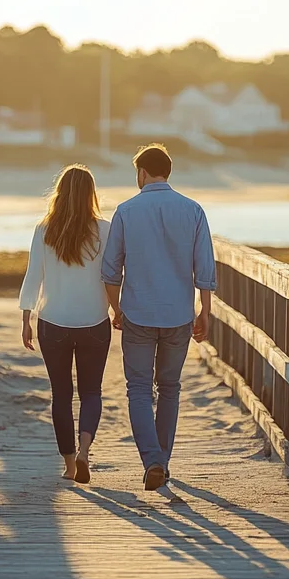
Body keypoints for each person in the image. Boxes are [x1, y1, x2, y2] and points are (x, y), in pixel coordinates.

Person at [101, 144, 216, 491]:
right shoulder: (193, 210)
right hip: (178, 314)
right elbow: (205, 268)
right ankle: (162, 462)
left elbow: (110, 270)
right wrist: (204, 310)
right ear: (167, 171)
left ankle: (152, 460)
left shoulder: (126, 211)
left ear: (141, 173)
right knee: (170, 388)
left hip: (137, 312)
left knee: (138, 388)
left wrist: (116, 308)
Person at [19, 164, 113, 484]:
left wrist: (26, 319)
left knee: (61, 394)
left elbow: (34, 277)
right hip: (94, 321)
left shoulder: (44, 229)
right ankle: (86, 451)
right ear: (91, 195)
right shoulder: (106, 229)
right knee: (91, 392)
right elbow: (114, 277)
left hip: (53, 322)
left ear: (59, 193)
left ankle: (71, 464)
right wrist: (120, 310)